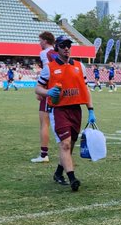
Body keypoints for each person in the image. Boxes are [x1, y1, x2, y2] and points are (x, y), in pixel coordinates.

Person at [36, 36, 95, 192]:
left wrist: (91, 110)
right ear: (57, 48)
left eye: (69, 45)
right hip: (59, 110)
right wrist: (48, 92)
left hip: (76, 109)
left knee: (71, 145)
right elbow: (38, 89)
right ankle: (72, 178)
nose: (66, 48)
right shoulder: (49, 67)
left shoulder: (79, 66)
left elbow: (85, 89)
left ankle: (58, 173)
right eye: (63, 45)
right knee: (65, 144)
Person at [32, 32, 59, 163]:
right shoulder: (56, 53)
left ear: (45, 41)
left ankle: (44, 154)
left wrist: (41, 90)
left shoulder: (45, 54)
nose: (39, 43)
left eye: (40, 40)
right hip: (59, 90)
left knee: (44, 123)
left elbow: (47, 71)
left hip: (49, 90)